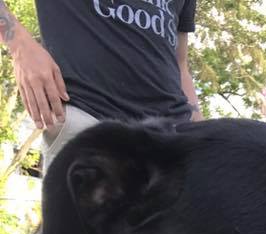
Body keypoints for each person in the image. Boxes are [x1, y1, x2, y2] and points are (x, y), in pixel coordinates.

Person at [0, 1, 202, 168]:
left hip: (172, 143)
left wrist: (200, 138)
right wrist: (20, 47)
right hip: (88, 121)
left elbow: (180, 64)